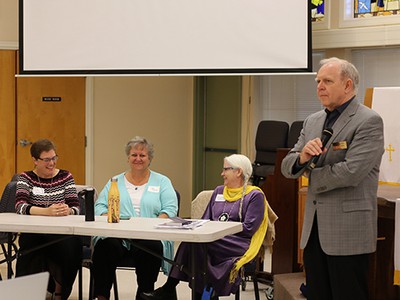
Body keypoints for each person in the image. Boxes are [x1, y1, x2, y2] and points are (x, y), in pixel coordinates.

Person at [281, 57, 384, 300]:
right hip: (314, 231)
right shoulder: (312, 120)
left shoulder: (368, 121)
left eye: (327, 81)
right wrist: (303, 158)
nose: (319, 86)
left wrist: (309, 176)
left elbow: (352, 172)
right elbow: (288, 166)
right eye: (318, 81)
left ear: (348, 85)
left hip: (348, 232)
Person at [142, 154, 268, 300]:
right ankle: (203, 294)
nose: (222, 174)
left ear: (238, 172)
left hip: (237, 243)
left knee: (197, 246)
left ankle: (171, 288)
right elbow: (205, 220)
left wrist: (220, 231)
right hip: (215, 240)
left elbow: (248, 228)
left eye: (225, 169)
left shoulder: (254, 196)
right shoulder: (219, 191)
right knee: (195, 244)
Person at [91, 136, 178, 300]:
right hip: (118, 235)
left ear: (149, 158)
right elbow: (100, 206)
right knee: (104, 246)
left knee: (150, 247)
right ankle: (101, 296)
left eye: (142, 155)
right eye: (134, 155)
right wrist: (109, 218)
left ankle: (144, 295)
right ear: (128, 158)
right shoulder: (114, 181)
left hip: (149, 235)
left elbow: (170, 209)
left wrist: (152, 226)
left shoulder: (162, 182)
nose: (138, 159)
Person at [15, 139, 82, 300]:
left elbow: (77, 207)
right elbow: (20, 206)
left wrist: (69, 210)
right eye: (46, 160)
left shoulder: (66, 176)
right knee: (30, 247)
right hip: (35, 231)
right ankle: (25, 293)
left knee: (73, 247)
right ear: (35, 160)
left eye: (54, 158)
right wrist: (47, 211)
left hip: (62, 232)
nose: (51, 163)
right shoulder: (26, 178)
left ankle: (60, 293)